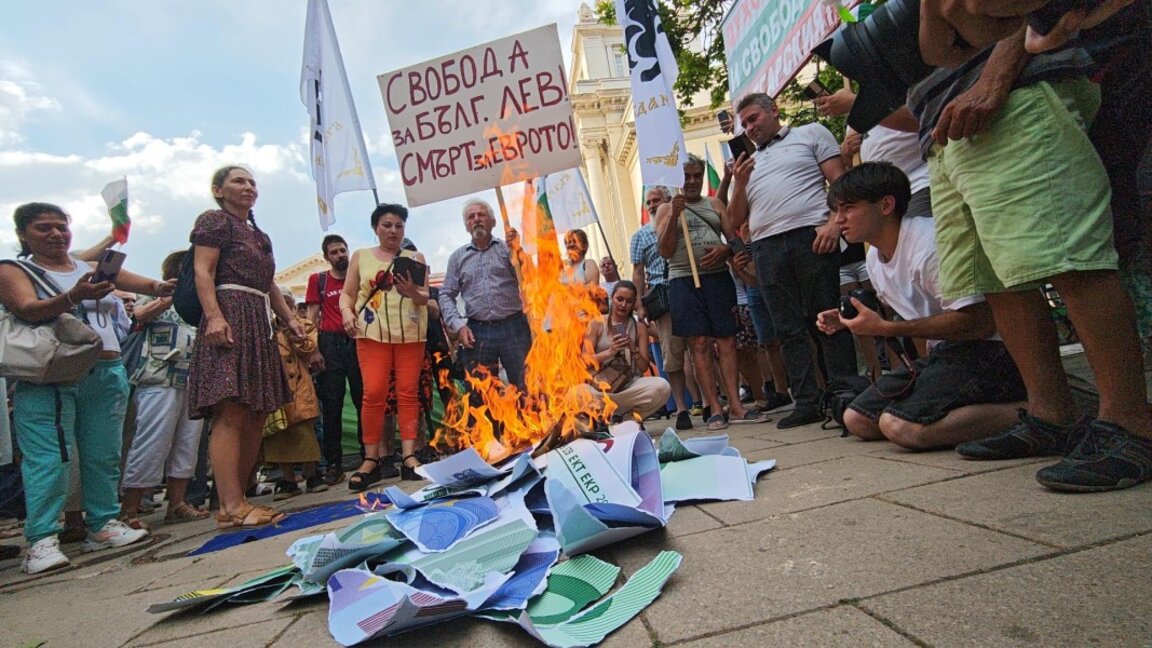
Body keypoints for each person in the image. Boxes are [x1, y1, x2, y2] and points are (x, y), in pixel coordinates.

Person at [903, 28, 1152, 491]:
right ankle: (1052, 415)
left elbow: (1026, 8)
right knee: (998, 280)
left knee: (1070, 260)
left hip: (1012, 93)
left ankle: (1132, 424)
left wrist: (996, 77)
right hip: (944, 127)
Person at [0, 202, 175, 574]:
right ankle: (42, 540)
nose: (55, 234)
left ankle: (103, 523)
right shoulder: (14, 269)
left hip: (106, 370)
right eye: (43, 228)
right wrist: (74, 297)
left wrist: (161, 287)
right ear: (23, 234)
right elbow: (27, 308)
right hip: (52, 375)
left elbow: (143, 284)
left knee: (103, 453)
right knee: (48, 459)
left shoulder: (87, 267)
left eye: (61, 226)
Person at [816, 163, 1028, 449]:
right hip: (945, 354)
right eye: (836, 210)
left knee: (899, 426)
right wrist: (849, 320)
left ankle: (1042, 409)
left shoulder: (929, 245)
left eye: (848, 208)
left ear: (886, 205)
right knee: (857, 419)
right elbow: (904, 313)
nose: (839, 219)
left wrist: (887, 328)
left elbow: (979, 323)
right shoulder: (875, 257)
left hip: (991, 351)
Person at [728, 93, 858, 429]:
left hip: (811, 237)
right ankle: (806, 401)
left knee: (827, 317)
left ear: (774, 110)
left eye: (753, 118)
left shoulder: (811, 133)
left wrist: (834, 224)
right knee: (786, 328)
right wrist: (739, 183)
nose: (749, 128)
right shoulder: (747, 165)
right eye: (744, 124)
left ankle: (845, 392)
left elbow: (839, 182)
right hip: (767, 248)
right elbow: (733, 219)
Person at [187, 165, 300, 530]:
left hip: (259, 319)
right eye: (239, 180)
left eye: (252, 181)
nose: (249, 186)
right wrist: (214, 316)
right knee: (231, 411)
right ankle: (231, 503)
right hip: (230, 313)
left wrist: (289, 318)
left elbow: (269, 283)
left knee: (256, 411)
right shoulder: (215, 221)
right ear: (218, 189)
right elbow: (203, 271)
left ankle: (237, 500)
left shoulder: (259, 235)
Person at [655, 155, 767, 431]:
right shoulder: (665, 209)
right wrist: (674, 216)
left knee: (727, 341)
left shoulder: (715, 204)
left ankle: (736, 405)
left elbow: (734, 240)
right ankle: (714, 408)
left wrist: (725, 250)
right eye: (686, 176)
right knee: (699, 344)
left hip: (717, 279)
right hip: (683, 280)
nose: (692, 181)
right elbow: (665, 251)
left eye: (697, 175)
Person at [340, 204, 429, 489]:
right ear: (375, 228)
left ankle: (410, 456)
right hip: (371, 334)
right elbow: (347, 294)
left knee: (408, 394)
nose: (393, 231)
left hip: (411, 334)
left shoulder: (415, 258)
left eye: (398, 226)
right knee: (373, 394)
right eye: (387, 225)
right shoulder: (360, 256)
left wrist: (411, 291)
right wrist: (346, 313)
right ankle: (371, 459)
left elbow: (424, 297)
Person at [119, 251, 209, 529]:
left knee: (188, 444)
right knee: (152, 441)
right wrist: (171, 296)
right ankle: (130, 508)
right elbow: (139, 316)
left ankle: (178, 503)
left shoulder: (200, 302)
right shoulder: (153, 295)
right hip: (158, 378)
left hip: (192, 378)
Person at [438, 199, 531, 391]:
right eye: (471, 217)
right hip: (477, 331)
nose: (476, 219)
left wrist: (519, 252)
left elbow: (530, 277)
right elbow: (445, 294)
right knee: (481, 392)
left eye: (481, 214)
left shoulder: (507, 249)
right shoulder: (457, 258)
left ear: (493, 222)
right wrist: (459, 325)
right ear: (466, 226)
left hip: (514, 327)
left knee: (526, 387)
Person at [632, 186, 700, 430]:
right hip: (663, 298)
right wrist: (639, 304)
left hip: (690, 290)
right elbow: (638, 273)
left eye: (656, 200)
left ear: (668, 200)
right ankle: (682, 408)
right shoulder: (640, 236)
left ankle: (708, 402)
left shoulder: (685, 223)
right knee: (672, 354)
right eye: (648, 202)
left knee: (699, 349)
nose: (651, 205)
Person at [305, 234, 363, 486]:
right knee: (331, 406)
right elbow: (311, 318)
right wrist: (313, 351)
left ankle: (369, 457)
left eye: (343, 250)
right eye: (334, 252)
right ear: (326, 257)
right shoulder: (318, 280)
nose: (340, 255)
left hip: (358, 340)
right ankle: (334, 465)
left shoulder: (358, 277)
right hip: (329, 344)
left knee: (364, 400)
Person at [263, 288, 328, 499]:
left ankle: (312, 475)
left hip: (300, 386)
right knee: (279, 435)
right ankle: (288, 480)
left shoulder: (304, 325)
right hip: (276, 388)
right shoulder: (266, 327)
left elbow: (310, 349)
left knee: (305, 434)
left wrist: (294, 334)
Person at [581, 281, 672, 421]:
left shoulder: (639, 327)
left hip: (628, 388)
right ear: (612, 298)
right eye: (620, 299)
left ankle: (628, 420)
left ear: (634, 303)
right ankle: (602, 418)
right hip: (600, 390)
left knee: (662, 387)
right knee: (575, 393)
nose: (623, 305)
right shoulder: (597, 323)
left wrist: (633, 349)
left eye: (629, 301)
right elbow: (584, 361)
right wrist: (610, 352)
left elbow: (643, 367)